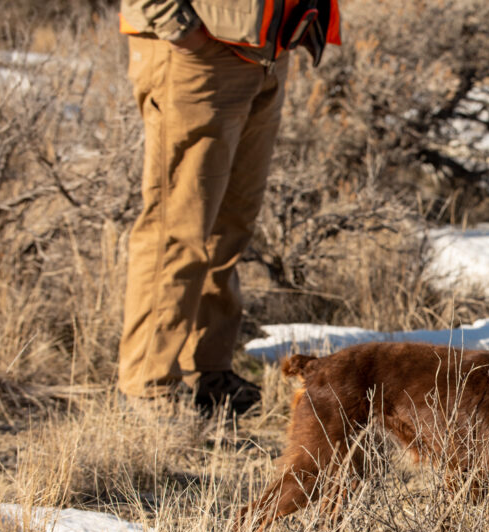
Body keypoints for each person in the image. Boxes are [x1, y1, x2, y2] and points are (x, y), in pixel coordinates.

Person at [117, 0, 339, 415]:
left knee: (230, 225)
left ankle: (207, 371)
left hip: (266, 50)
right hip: (200, 53)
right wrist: (177, 25)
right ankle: (146, 386)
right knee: (177, 227)